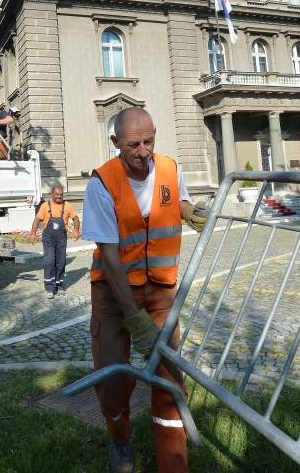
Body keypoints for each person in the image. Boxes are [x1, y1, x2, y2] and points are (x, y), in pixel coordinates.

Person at [81, 107, 205, 473]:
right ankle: (120, 441)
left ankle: (174, 463)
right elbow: (111, 259)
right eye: (134, 144)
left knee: (169, 378)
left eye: (149, 141)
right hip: (114, 294)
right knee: (113, 378)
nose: (143, 150)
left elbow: (174, 199)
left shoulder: (170, 168)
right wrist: (134, 319)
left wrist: (189, 211)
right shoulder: (101, 184)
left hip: (161, 289)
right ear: (115, 143)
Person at [29, 184, 81, 299]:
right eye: (57, 195)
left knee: (61, 261)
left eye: (61, 195)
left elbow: (76, 218)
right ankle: (49, 287)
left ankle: (59, 284)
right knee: (49, 260)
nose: (59, 197)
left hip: (61, 238)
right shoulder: (45, 206)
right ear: (52, 194)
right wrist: (33, 233)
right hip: (48, 238)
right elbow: (37, 219)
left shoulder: (67, 206)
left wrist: (76, 230)